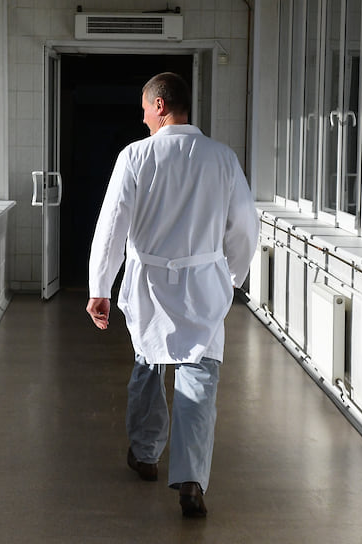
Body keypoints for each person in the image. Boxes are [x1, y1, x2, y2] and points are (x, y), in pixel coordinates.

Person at [85, 72, 259, 518]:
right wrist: (231, 277)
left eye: (145, 108)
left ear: (160, 105)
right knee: (200, 375)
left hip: (149, 283)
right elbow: (245, 225)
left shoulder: (135, 156)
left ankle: (146, 455)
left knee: (149, 364)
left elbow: (112, 225)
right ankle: (191, 480)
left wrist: (100, 287)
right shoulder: (222, 158)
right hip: (203, 283)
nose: (143, 117)